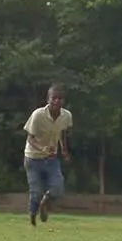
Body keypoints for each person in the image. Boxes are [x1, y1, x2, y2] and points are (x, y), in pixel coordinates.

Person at [23, 85, 72, 227]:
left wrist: (64, 150)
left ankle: (45, 203)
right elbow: (30, 138)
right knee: (36, 191)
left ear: (63, 101)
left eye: (60, 98)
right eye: (54, 98)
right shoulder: (38, 115)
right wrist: (42, 148)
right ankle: (33, 214)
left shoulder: (66, 116)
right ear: (48, 99)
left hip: (51, 158)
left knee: (58, 188)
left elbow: (63, 134)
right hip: (32, 158)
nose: (57, 101)